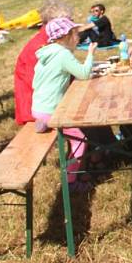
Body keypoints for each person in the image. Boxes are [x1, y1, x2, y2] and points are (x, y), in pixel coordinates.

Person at [32, 17, 96, 190]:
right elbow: (83, 74)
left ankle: (44, 124)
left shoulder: (45, 52)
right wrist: (90, 54)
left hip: (37, 107)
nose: (78, 37)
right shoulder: (62, 54)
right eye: (75, 33)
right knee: (80, 139)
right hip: (52, 110)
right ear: (65, 36)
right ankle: (70, 181)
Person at [14, 0, 75, 125]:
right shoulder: (41, 47)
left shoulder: (53, 41)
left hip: (46, 103)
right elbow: (42, 85)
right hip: (39, 109)